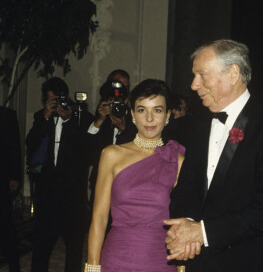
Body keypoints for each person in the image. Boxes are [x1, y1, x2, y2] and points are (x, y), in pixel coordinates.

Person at [164, 39, 263, 271]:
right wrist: (184, 227)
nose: (194, 85)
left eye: (201, 74)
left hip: (250, 262)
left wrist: (203, 233)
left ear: (233, 73)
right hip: (200, 262)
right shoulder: (196, 127)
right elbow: (184, 189)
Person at [86, 79, 185, 271]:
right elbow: (99, 217)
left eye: (157, 110)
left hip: (161, 259)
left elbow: (182, 222)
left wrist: (181, 267)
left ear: (167, 115)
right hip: (116, 258)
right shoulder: (111, 155)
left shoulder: (177, 161)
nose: (149, 118)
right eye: (141, 110)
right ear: (132, 114)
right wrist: (92, 266)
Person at [26, 77, 93, 272]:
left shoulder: (80, 117)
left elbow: (86, 151)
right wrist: (46, 117)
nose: (57, 104)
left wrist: (69, 120)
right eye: (51, 100)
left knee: (73, 249)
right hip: (47, 195)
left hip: (72, 196)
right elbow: (31, 144)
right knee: (41, 248)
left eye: (59, 99)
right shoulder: (41, 116)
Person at [87, 79, 137, 208]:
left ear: (126, 101)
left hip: (126, 185)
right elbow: (87, 151)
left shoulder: (135, 120)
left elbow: (136, 151)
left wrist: (122, 128)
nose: (115, 106)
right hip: (101, 183)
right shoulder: (101, 120)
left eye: (118, 102)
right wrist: (100, 120)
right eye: (111, 102)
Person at [0, 106, 22, 272]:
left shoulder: (7, 115)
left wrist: (15, 176)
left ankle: (14, 267)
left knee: (6, 225)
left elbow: (15, 147)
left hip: (2, 178)